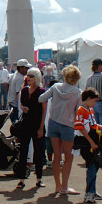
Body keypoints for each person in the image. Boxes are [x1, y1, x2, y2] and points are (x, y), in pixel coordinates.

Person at [38, 64, 82, 196]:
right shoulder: (78, 92)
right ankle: (65, 186)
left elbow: (41, 98)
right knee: (69, 156)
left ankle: (57, 186)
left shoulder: (55, 87)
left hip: (54, 122)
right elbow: (78, 111)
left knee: (57, 156)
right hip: (68, 124)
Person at [75, 88, 102, 203]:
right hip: (87, 143)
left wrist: (100, 126)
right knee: (92, 166)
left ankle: (92, 191)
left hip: (94, 140)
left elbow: (92, 124)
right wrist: (91, 142)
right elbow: (81, 128)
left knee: (96, 165)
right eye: (94, 101)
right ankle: (89, 193)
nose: (95, 104)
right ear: (88, 99)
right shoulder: (81, 110)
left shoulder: (90, 109)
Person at [15, 67, 47, 189]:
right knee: (23, 151)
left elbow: (44, 110)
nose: (29, 78)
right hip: (25, 124)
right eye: (28, 76)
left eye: (32, 76)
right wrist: (23, 108)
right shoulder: (24, 90)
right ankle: (21, 179)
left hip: (37, 123)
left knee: (38, 152)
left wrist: (41, 127)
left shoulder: (41, 91)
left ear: (37, 77)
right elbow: (21, 104)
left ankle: (39, 178)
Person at [85, 59, 102, 132]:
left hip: (91, 105)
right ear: (99, 66)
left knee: (95, 127)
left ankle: (96, 142)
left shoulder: (89, 79)